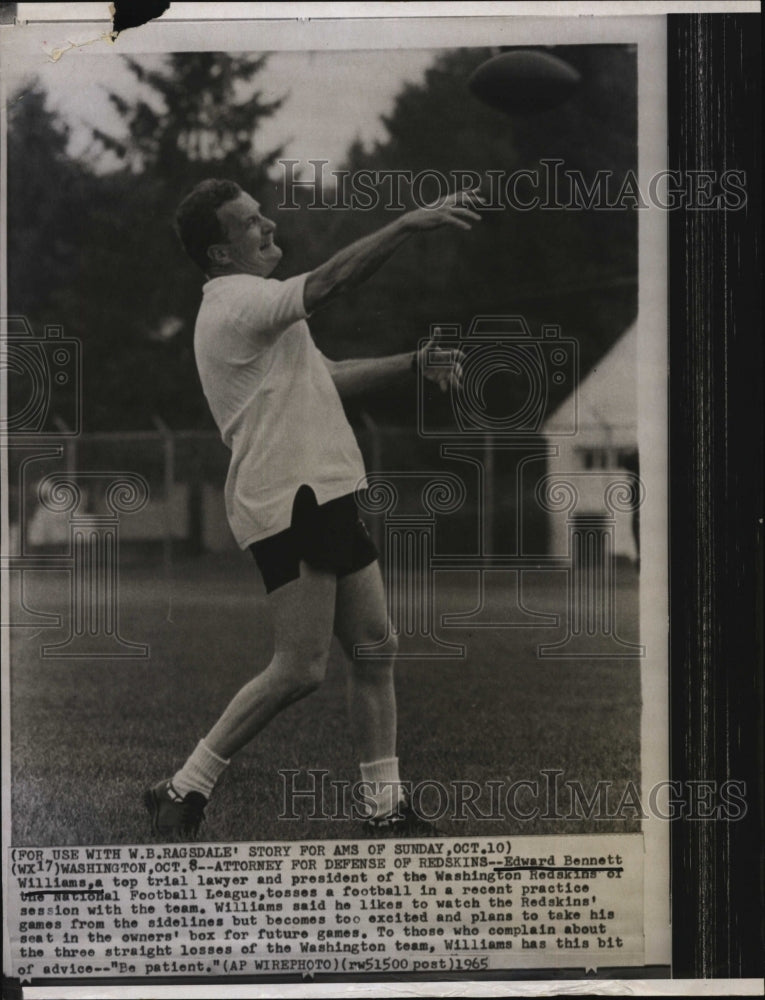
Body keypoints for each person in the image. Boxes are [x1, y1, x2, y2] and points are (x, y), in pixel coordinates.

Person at [144, 178, 480, 839]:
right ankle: (183, 788)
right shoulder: (239, 300)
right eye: (248, 224)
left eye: (260, 214)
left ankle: (384, 809)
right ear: (220, 255)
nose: (267, 225)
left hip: (321, 491)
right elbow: (327, 282)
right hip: (288, 499)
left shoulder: (257, 307)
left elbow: (325, 374)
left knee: (374, 647)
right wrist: (407, 225)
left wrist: (412, 362)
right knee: (298, 668)